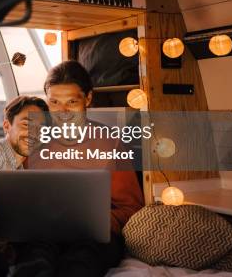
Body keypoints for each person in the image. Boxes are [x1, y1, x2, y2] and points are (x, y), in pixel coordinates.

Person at [18, 60, 144, 277]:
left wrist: (100, 220)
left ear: (88, 98)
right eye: (55, 102)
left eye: (72, 102)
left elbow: (132, 207)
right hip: (45, 230)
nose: (62, 112)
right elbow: (19, 197)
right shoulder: (34, 141)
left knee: (80, 264)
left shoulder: (109, 142)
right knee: (34, 261)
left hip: (93, 235)